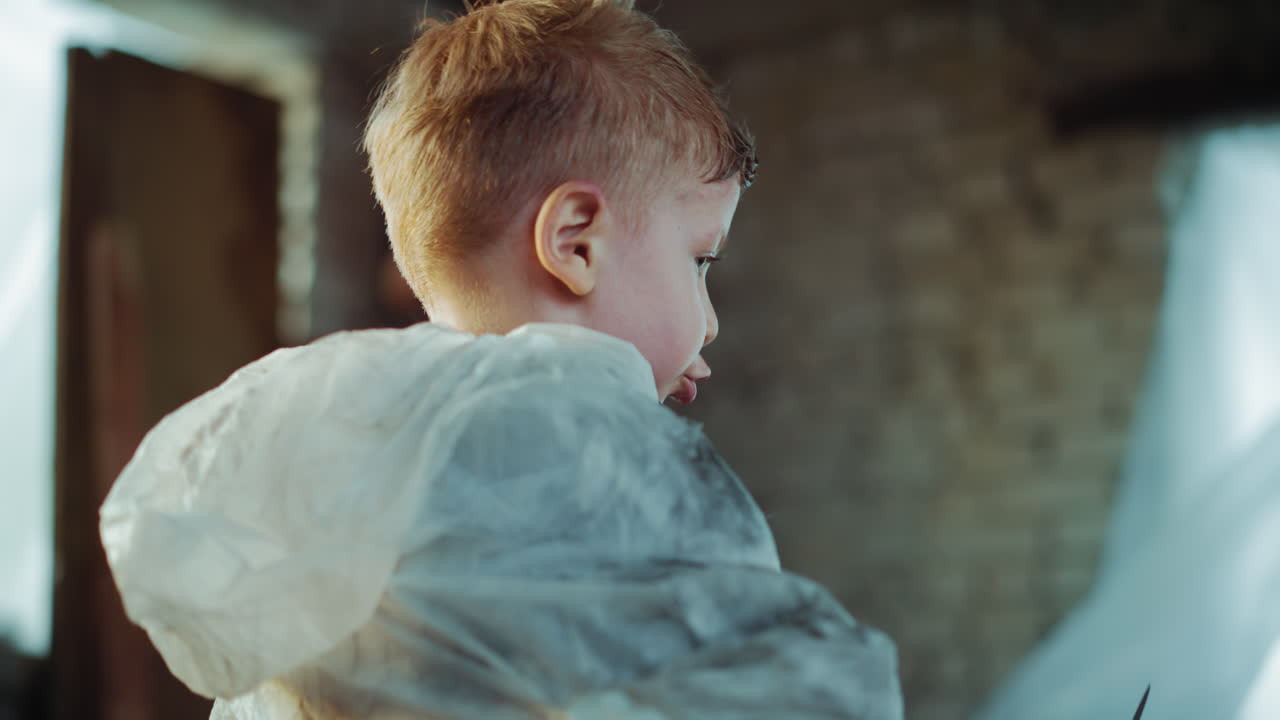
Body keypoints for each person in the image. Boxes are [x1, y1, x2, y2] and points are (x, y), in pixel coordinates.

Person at [101, 1, 904, 717]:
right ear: (575, 242)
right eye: (701, 260)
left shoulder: (345, 440)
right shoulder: (586, 440)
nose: (712, 323)